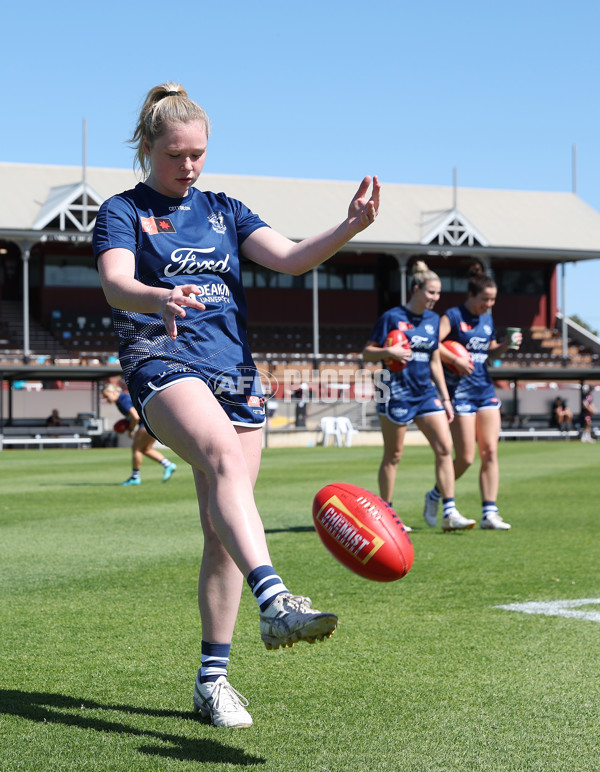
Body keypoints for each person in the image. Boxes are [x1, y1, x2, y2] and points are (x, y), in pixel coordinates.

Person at [92, 81, 380, 729]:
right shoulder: (121, 211)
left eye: (197, 154)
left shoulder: (224, 210)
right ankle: (276, 602)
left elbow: (291, 258)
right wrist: (155, 298)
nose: (188, 166)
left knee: (223, 535)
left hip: (235, 375)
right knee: (222, 455)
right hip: (164, 364)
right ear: (148, 148)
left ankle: (211, 683)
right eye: (175, 155)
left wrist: (350, 226)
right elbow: (114, 284)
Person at [362, 261, 475, 534]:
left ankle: (449, 510)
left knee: (445, 448)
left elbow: (435, 360)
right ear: (416, 289)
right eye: (431, 292)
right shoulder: (391, 317)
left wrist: (445, 399)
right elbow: (367, 352)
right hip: (395, 393)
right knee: (394, 455)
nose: (436, 298)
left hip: (426, 394)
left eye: (438, 294)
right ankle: (387, 514)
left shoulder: (434, 321)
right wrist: (390, 353)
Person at [424, 268, 522, 531]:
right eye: (485, 299)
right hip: (459, 393)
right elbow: (433, 343)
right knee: (466, 457)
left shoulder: (487, 319)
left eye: (492, 300)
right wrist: (455, 359)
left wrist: (504, 347)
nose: (488, 305)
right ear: (471, 294)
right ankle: (436, 494)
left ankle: (490, 513)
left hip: (484, 390)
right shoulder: (453, 316)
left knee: (490, 452)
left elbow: (485, 352)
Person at [102, 383, 177, 485]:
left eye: (107, 396)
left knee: (136, 449)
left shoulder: (122, 400)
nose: (107, 400)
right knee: (146, 449)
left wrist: (130, 429)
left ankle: (135, 477)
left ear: (114, 392)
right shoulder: (122, 400)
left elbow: (135, 416)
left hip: (145, 424)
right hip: (153, 422)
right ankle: (168, 465)